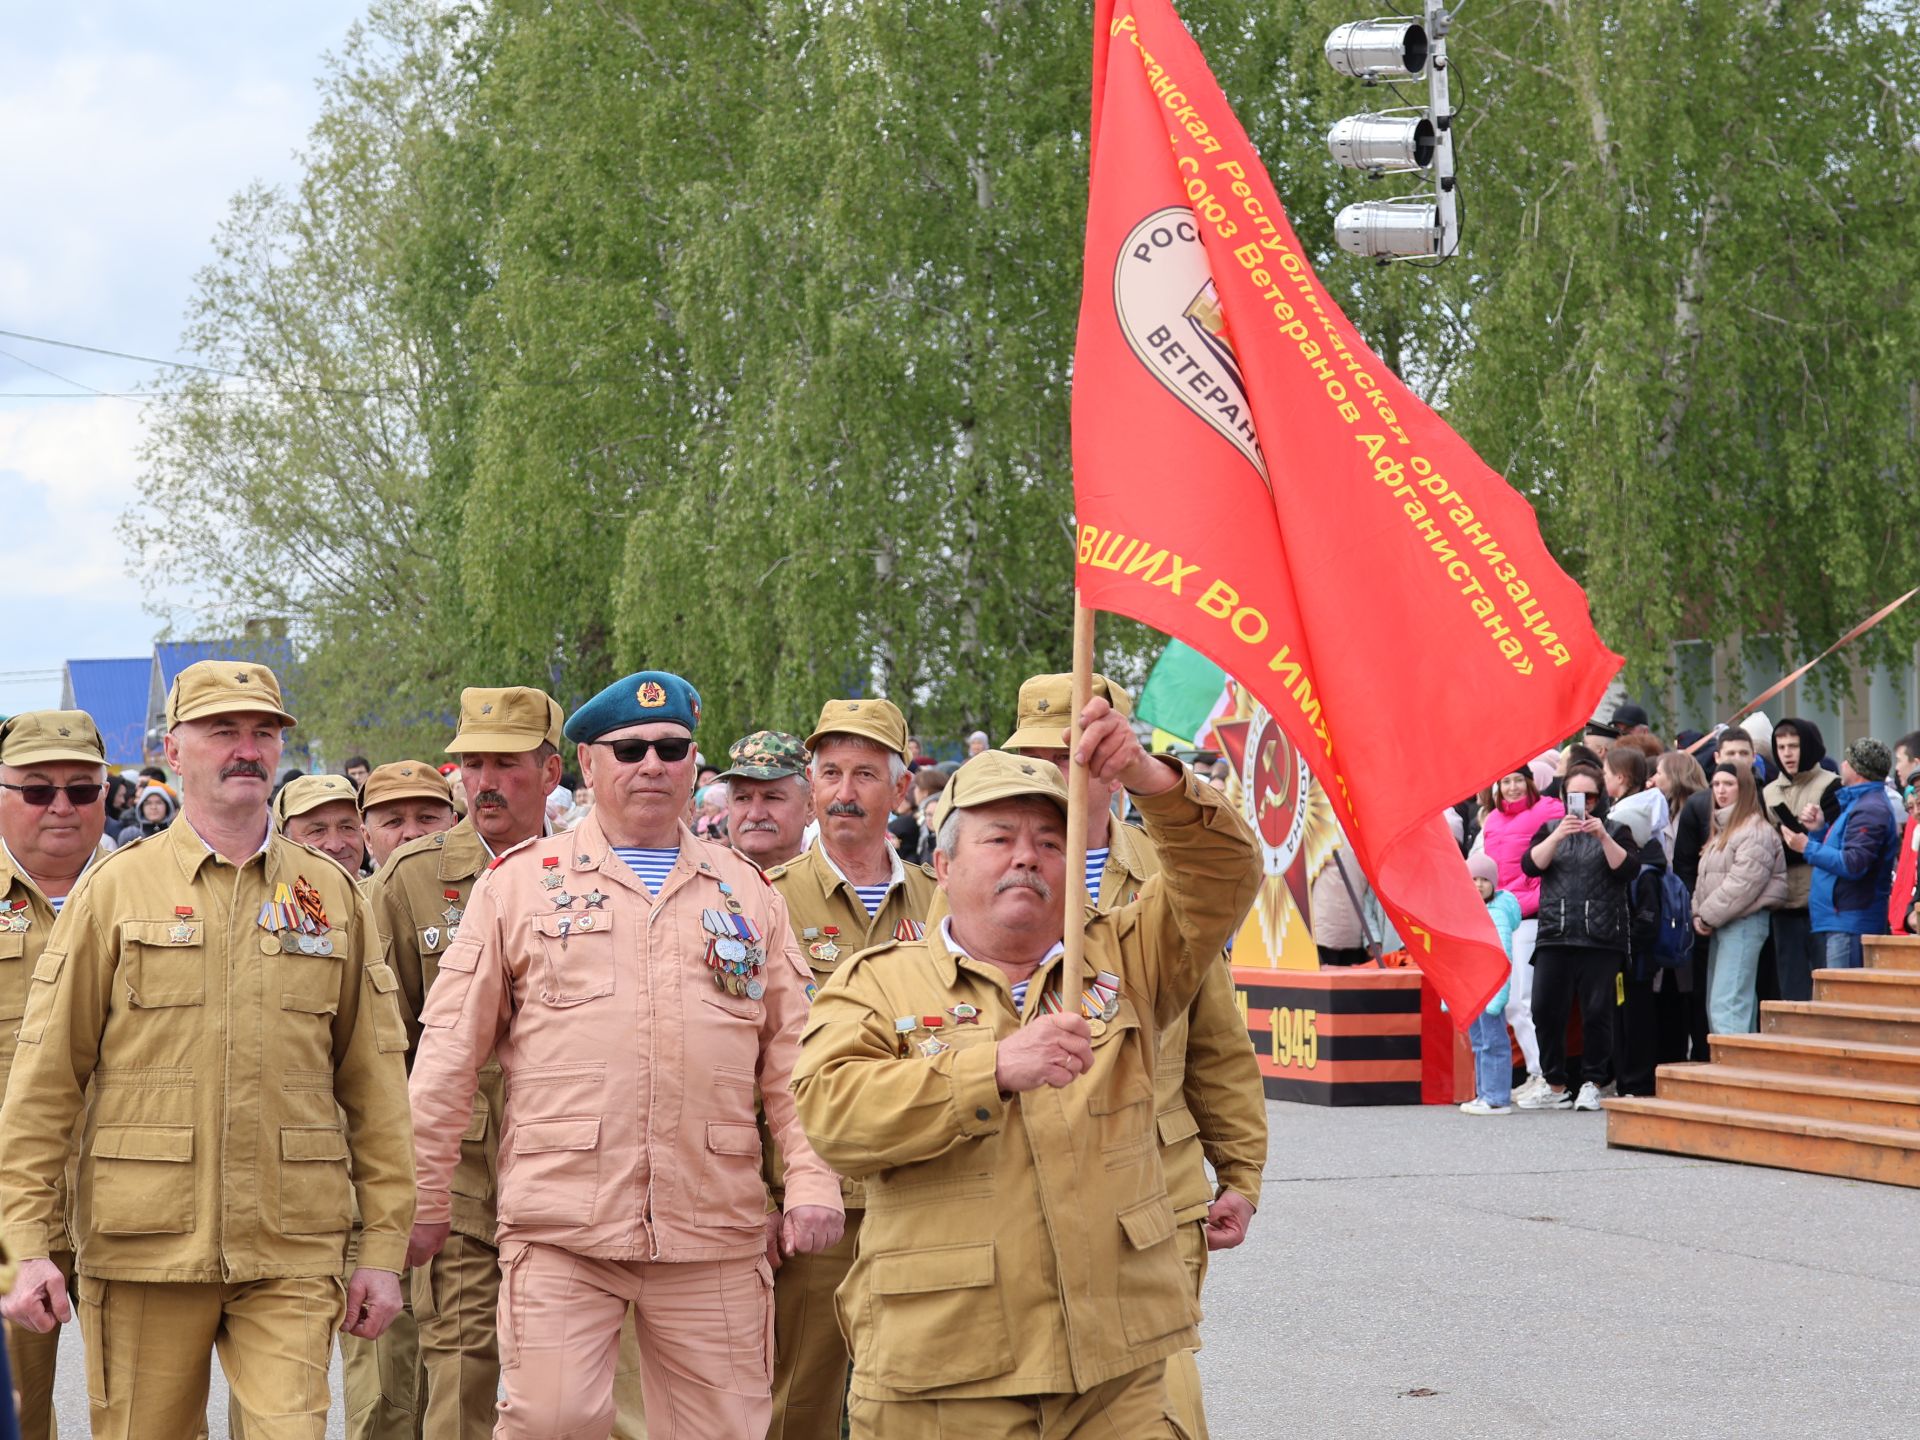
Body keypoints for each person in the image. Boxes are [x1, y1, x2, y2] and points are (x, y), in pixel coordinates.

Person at [793, 707, 1261, 1438]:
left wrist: (1145, 775)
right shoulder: (874, 984)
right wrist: (991, 1071)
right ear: (942, 863)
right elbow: (833, 1118)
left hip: (1116, 1368)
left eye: (1050, 841)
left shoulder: (1128, 958)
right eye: (1000, 838)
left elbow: (1223, 873)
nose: (1027, 857)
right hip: (948, 1377)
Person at [407, 670, 843, 1440]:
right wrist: (424, 1195)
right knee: (552, 1420)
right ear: (587, 765)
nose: (652, 763)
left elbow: (794, 1059)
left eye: (671, 748)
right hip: (563, 1219)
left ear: (694, 764)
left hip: (713, 1221)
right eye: (630, 748)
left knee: (723, 1431)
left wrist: (810, 1177)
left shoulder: (746, 893)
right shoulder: (518, 887)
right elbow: (448, 1052)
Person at [0, 662, 414, 1439]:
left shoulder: (332, 897)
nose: (246, 749)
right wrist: (25, 1243)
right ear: (175, 746)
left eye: (263, 732)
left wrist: (382, 1249)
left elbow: (376, 1088)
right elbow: (46, 1081)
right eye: (223, 731)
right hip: (144, 1245)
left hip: (291, 1244)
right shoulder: (116, 890)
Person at [1001, 673, 1267, 1440]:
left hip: (1153, 1197)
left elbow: (1216, 1041)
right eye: (1042, 759)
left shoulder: (1167, 875)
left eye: (1081, 756)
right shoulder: (979, 880)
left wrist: (1242, 1173)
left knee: (1157, 1411)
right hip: (1020, 1191)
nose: (1062, 776)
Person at [365, 686, 564, 1440]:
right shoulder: (412, 879)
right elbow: (382, 1046)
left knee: (573, 1379)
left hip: (568, 1166)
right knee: (456, 1368)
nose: (482, 782)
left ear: (550, 773)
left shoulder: (583, 871)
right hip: (458, 1171)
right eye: (470, 764)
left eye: (505, 764)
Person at [755, 699, 937, 1440]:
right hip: (814, 1203)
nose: (843, 792)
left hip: (927, 1194)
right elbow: (739, 1059)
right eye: (829, 773)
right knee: (796, 1402)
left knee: (921, 1400)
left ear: (901, 791)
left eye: (865, 773)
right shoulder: (764, 899)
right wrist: (757, 1195)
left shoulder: (945, 901)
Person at [0, 711, 113, 1440]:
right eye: (38, 791)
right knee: (14, 1412)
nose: (63, 807)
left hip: (131, 1198)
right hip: (9, 1200)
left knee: (146, 1415)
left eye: (82, 787)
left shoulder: (151, 889)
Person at [1518, 764, 1634, 1111]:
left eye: (1591, 797)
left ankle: (1592, 1081)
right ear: (1563, 797)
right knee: (1543, 1009)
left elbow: (1627, 869)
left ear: (1601, 798)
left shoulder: (1617, 829)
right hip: (1555, 933)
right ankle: (1554, 1084)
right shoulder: (1549, 829)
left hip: (1601, 937)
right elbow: (1530, 866)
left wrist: (1602, 836)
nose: (1584, 805)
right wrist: (1558, 836)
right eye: (1575, 797)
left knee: (1598, 1012)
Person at [1476, 764, 1564, 1103]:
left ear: (1530, 783)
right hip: (1503, 914)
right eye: (1505, 782)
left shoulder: (1549, 810)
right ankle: (1535, 1070)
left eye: (1517, 780)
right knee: (1510, 1003)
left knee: (1522, 1000)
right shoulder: (1493, 820)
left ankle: (1547, 1076)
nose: (1512, 788)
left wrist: (1520, 901)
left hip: (1532, 915)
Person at [1786, 737, 1900, 970]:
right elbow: (1843, 852)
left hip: (1850, 922)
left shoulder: (1870, 809)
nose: (1842, 764)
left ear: (1858, 769)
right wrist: (1819, 831)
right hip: (1841, 919)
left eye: (1847, 760)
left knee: (1843, 1002)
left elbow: (1852, 864)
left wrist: (1807, 847)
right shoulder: (1861, 804)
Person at [1692, 762, 1787, 1037]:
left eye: (1729, 784)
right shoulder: (1725, 829)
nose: (1720, 791)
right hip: (1724, 922)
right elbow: (1706, 880)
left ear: (1744, 788)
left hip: (1744, 922)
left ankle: (1732, 1073)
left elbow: (1742, 884)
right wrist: (1699, 912)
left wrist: (1705, 914)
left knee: (1728, 1003)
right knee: (1728, 1002)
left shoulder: (1754, 830)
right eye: (1716, 784)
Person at [1604, 746, 1670, 1096]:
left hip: (1634, 947)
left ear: (1622, 777)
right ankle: (1630, 1078)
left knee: (1634, 1011)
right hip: (1629, 944)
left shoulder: (1629, 819)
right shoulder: (1638, 813)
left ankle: (1636, 1079)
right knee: (1626, 1010)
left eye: (1606, 772)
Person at [1761, 719, 1841, 1001]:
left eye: (1793, 746)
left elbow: (1834, 844)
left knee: (1827, 991)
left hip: (1822, 904)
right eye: (1780, 747)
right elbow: (1765, 851)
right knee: (1791, 991)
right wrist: (1803, 840)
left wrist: (1802, 842)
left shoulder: (1831, 785)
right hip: (1784, 904)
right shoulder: (1768, 793)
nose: (1787, 753)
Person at [1461, 852, 1519, 1116]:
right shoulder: (1469, 910)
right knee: (1480, 1042)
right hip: (1474, 989)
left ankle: (1496, 1097)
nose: (1478, 884)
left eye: (1485, 879)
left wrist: (1498, 995)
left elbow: (1504, 956)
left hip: (1490, 989)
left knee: (1493, 1042)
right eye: (1473, 878)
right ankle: (1484, 1093)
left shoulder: (1497, 914)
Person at [719, 730, 815, 871]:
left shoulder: (834, 888)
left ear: (810, 808)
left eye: (772, 798)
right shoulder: (698, 886)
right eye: (742, 798)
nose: (755, 815)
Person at [361, 760, 460, 870]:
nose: (412, 833)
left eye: (427, 817)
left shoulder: (480, 885)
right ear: (368, 839)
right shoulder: (349, 888)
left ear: (454, 827)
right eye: (393, 821)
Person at [276, 773, 368, 876]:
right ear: (284, 840)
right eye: (317, 831)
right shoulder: (267, 891)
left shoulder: (381, 891)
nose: (335, 846)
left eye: (347, 828)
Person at [116, 780, 177, 845]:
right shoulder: (133, 835)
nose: (153, 807)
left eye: (159, 803)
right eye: (148, 803)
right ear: (141, 807)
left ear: (167, 806)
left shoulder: (175, 832)